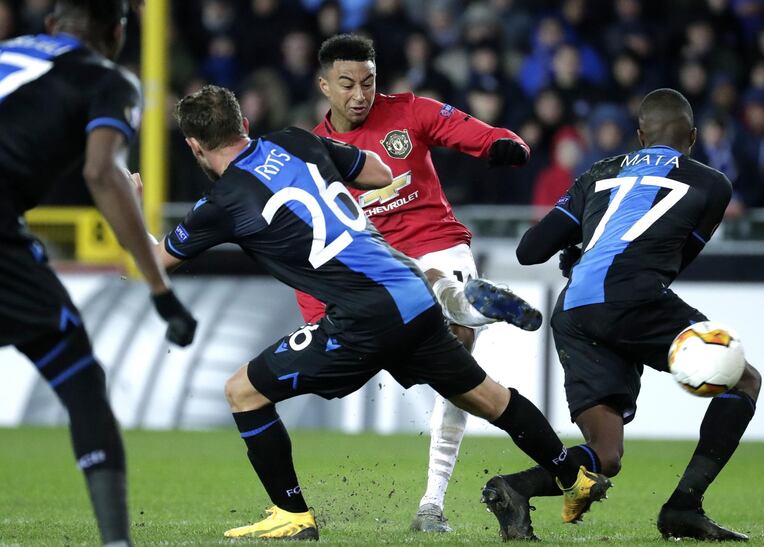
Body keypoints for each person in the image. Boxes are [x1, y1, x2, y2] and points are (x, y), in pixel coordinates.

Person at [154, 84, 610, 541]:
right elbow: (376, 172)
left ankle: (291, 514)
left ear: (193, 144)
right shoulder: (296, 140)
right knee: (488, 398)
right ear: (244, 125)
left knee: (242, 392)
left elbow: (152, 264)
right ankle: (574, 478)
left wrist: (129, 208)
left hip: (362, 318)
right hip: (411, 292)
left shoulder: (221, 204)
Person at [482, 88, 761, 541]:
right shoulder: (714, 184)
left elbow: (530, 251)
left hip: (573, 311)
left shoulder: (597, 174)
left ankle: (515, 488)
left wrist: (579, 246)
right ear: (691, 137)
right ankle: (683, 508)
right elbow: (673, 260)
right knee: (745, 379)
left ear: (638, 135)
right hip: (633, 299)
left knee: (605, 454)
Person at [296, 33, 539, 533]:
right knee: (452, 369)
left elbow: (473, 132)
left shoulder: (410, 111)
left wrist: (504, 145)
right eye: (347, 84)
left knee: (458, 350)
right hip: (377, 269)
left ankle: (431, 504)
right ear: (324, 86)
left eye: (369, 82)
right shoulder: (314, 158)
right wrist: (316, 317)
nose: (360, 94)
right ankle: (467, 305)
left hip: (439, 245)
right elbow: (309, 243)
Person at [0, 1, 197, 546]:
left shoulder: (7, 55)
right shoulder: (106, 80)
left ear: (49, 27)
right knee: (79, 374)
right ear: (116, 33)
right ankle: (116, 543)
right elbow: (102, 172)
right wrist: (159, 289)